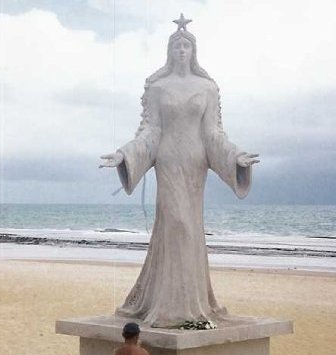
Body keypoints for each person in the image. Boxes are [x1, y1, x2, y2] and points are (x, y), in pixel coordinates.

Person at [100, 14, 259, 328]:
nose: (182, 51)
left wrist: (235, 157)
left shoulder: (207, 87)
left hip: (195, 163)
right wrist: (124, 154)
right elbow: (150, 132)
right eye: (177, 46)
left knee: (190, 229)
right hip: (169, 160)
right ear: (170, 50)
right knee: (177, 225)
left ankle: (191, 303)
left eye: (186, 46)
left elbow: (214, 133)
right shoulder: (159, 87)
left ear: (193, 51)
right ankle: (171, 306)